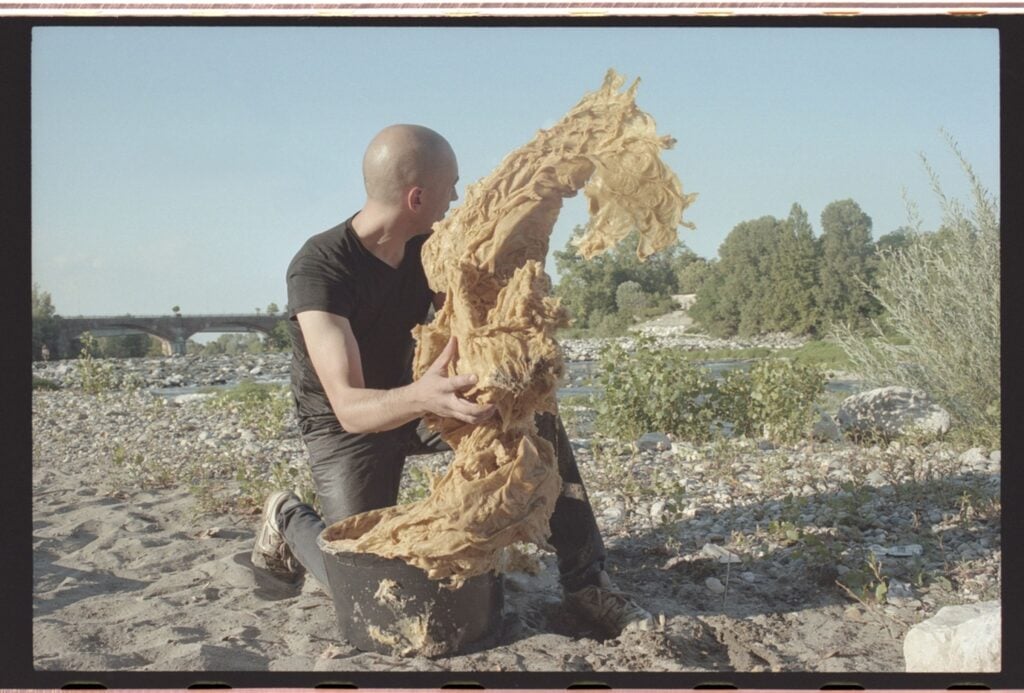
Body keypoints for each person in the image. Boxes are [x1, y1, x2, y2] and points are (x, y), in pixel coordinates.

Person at [250, 124, 652, 637]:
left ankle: (586, 581)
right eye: (451, 186)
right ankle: (287, 518)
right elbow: (349, 406)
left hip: (427, 399)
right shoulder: (320, 268)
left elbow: (467, 314)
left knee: (538, 421)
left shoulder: (434, 249)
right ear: (417, 197)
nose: (458, 197)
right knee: (369, 580)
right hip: (345, 427)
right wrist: (421, 394)